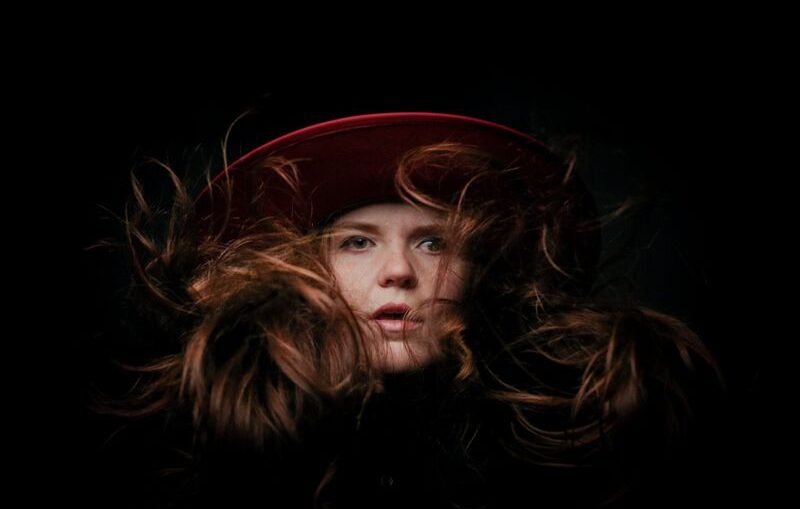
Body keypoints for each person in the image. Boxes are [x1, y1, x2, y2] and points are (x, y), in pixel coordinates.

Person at [91, 112, 724, 508]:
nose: (398, 271)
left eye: (433, 243)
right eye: (357, 242)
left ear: (481, 272)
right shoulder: (205, 453)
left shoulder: (568, 456)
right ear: (303, 268)